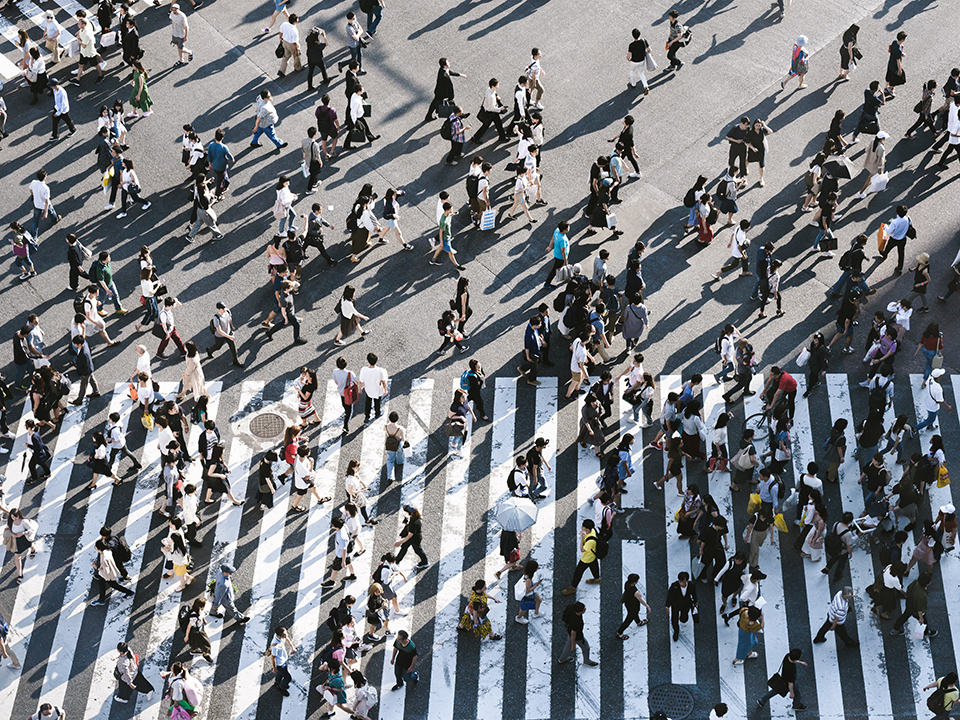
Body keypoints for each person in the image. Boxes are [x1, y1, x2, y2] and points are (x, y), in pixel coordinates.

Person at [891, 572, 937, 637]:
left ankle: (895, 630)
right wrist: (920, 617)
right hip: (915, 609)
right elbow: (920, 608)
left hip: (909, 603)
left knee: (904, 616)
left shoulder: (916, 582)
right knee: (924, 622)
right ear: (927, 583)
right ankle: (926, 632)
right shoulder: (922, 595)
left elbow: (909, 588)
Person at [558, 602, 598, 666]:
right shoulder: (577, 622)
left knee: (568, 645)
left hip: (569, 630)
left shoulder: (571, 608)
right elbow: (573, 634)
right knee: (586, 647)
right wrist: (573, 645)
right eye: (584, 609)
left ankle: (562, 659)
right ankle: (587, 661)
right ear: (580, 612)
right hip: (577, 636)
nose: (585, 609)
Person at [616, 573, 651, 640]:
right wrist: (647, 606)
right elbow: (640, 600)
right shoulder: (635, 592)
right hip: (634, 605)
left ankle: (638, 622)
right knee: (629, 620)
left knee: (634, 614)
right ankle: (619, 633)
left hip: (628, 603)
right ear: (635, 582)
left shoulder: (627, 584)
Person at [665, 572, 698, 641]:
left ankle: (683, 617)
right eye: (680, 582)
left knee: (684, 618)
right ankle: (676, 631)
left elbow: (694, 594)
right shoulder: (674, 586)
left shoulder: (691, 585)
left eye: (683, 582)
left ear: (687, 580)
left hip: (686, 604)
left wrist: (695, 601)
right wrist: (667, 606)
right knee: (674, 619)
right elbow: (669, 596)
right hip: (676, 604)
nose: (681, 584)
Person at [268, 626, 296, 697]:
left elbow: (287, 639)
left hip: (283, 659)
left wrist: (292, 647)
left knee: (281, 673)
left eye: (285, 633)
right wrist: (274, 668)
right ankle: (281, 687)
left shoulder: (281, 637)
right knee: (288, 678)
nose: (286, 635)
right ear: (278, 635)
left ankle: (277, 682)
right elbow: (273, 658)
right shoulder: (275, 646)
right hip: (280, 664)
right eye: (284, 635)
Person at [885, 31, 908, 97]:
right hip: (895, 66)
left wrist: (901, 53)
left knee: (888, 76)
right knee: (896, 79)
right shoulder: (898, 49)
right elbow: (898, 61)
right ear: (903, 39)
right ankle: (890, 89)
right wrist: (899, 69)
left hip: (890, 63)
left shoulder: (894, 42)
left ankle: (886, 88)